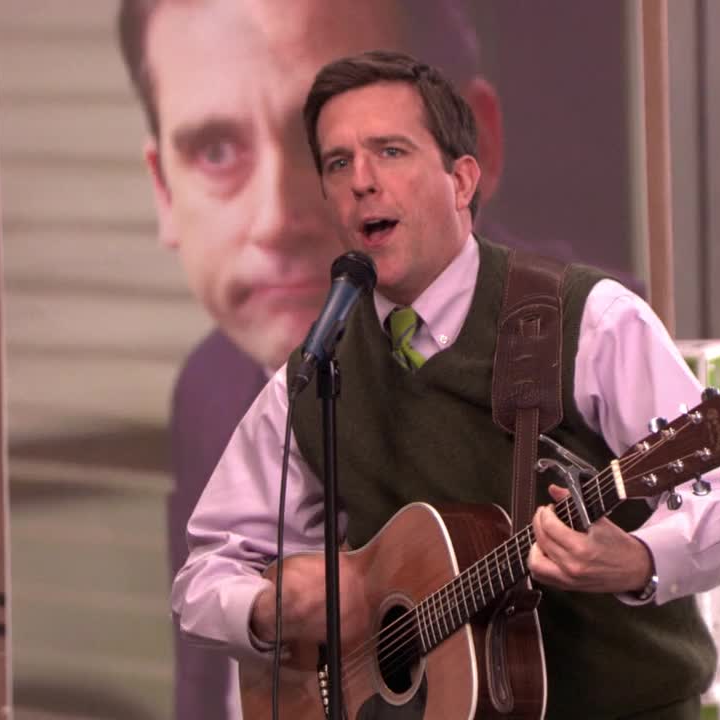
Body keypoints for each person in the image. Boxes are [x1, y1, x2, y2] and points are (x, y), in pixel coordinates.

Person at [170, 50, 720, 719]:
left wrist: (639, 558)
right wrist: (268, 608)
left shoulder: (588, 319)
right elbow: (204, 576)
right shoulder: (317, 371)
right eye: (338, 163)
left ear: (462, 180)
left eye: (390, 151)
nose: (362, 181)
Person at [116, 2, 517, 718]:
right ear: (163, 190)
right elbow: (206, 679)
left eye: (324, 155)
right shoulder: (213, 384)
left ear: (472, 159)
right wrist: (266, 610)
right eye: (216, 151)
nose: (276, 218)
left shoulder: (573, 336)